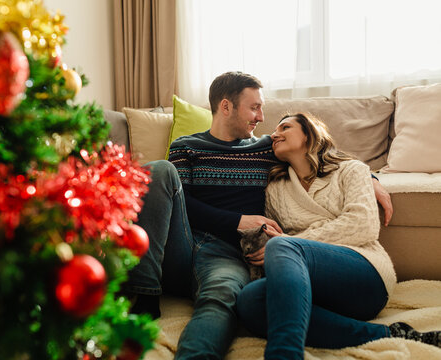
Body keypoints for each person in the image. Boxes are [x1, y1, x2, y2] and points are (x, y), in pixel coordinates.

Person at [124, 72, 394, 359]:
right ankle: (146, 294)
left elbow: (323, 151)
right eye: (254, 108)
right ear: (226, 107)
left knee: (222, 298)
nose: (261, 117)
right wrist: (237, 221)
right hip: (183, 244)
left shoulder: (267, 148)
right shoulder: (185, 146)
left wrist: (372, 178)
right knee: (159, 170)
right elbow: (181, 201)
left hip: (229, 253)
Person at [236, 113, 441, 359]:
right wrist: (269, 248)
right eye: (274, 131)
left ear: (309, 133)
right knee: (249, 301)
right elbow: (280, 242)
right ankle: (389, 333)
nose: (274, 134)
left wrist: (289, 243)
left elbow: (362, 224)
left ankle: (284, 354)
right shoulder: (275, 189)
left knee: (282, 246)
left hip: (364, 272)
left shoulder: (350, 169)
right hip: (309, 284)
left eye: (285, 127)